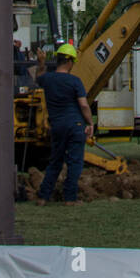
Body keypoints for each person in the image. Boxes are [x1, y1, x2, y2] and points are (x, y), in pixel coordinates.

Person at [35, 43, 94, 204]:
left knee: (55, 161)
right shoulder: (75, 81)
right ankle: (70, 198)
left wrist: (41, 62)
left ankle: (43, 196)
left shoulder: (48, 79)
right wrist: (90, 122)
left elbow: (38, 77)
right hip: (75, 126)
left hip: (57, 127)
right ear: (69, 62)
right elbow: (83, 105)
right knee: (75, 163)